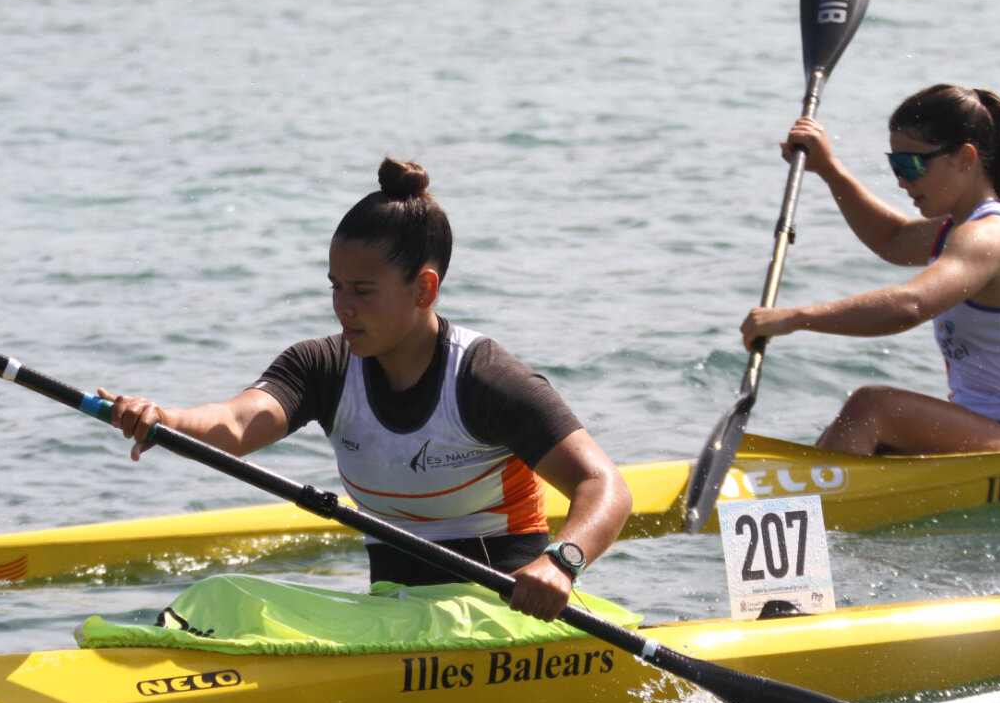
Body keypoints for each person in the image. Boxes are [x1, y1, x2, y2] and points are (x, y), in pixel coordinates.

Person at [101, 157, 632, 621]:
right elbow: (237, 425)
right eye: (335, 286)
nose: (342, 307)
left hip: (499, 613)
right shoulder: (323, 366)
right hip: (392, 611)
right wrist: (165, 419)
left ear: (424, 288)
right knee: (218, 597)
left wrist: (563, 561)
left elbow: (605, 485)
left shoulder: (484, 378)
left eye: (362, 291)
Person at [740, 84, 1000, 456]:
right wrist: (829, 170)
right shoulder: (956, 228)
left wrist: (796, 317)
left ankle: (800, 506)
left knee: (873, 409)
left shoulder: (988, 236)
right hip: (981, 426)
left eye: (912, 164)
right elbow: (893, 238)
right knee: (870, 426)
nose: (901, 180)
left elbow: (911, 304)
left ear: (965, 158)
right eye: (896, 164)